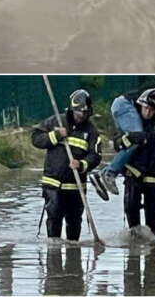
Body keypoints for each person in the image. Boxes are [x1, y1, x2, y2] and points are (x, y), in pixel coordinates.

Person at [90, 89, 155, 230]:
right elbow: (117, 141)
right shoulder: (131, 118)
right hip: (134, 174)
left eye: (152, 110)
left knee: (153, 219)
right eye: (146, 109)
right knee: (132, 215)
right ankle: (107, 174)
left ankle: (151, 248)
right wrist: (127, 140)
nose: (148, 113)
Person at [32, 89, 102, 241]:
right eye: (78, 113)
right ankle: (53, 255)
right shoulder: (55, 121)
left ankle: (73, 258)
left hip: (76, 188)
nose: (81, 117)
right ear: (71, 110)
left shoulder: (91, 131)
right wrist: (56, 135)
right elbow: (36, 139)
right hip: (53, 185)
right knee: (54, 219)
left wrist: (82, 164)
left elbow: (95, 156)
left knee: (74, 223)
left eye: (85, 114)